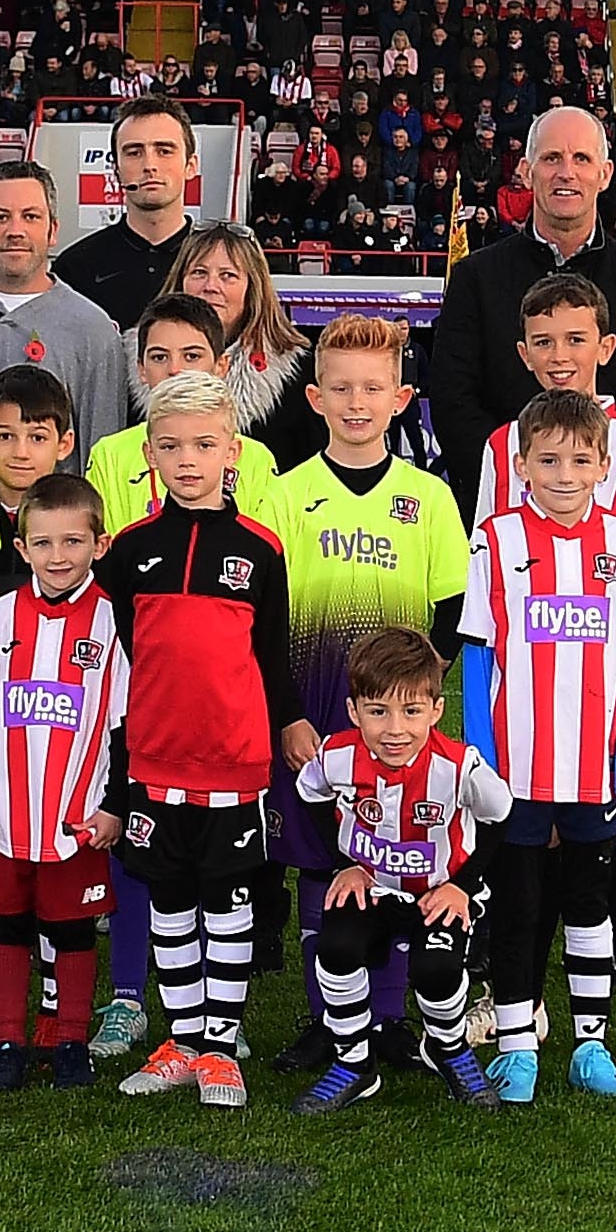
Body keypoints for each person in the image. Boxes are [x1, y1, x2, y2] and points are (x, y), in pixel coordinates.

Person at [473, 270, 616, 1067]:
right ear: (525, 353)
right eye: (545, 341)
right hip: (527, 683)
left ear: (606, 346)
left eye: (576, 338)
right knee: (519, 842)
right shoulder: (504, 447)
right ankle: (511, 997)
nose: (562, 356)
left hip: (607, 679)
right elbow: (492, 569)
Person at [265, 313, 469, 1066]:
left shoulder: (429, 497)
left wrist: (417, 702)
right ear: (315, 397)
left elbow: (452, 607)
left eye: (374, 388)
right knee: (322, 859)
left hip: (396, 727)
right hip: (317, 712)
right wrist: (287, 713)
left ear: (402, 397)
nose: (357, 401)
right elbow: (268, 619)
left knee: (399, 849)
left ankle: (386, 1018)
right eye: (342, 387)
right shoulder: (285, 497)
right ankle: (332, 1017)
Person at [96, 375, 300, 1110]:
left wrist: (289, 723)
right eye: (172, 445)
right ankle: (183, 1040)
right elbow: (117, 659)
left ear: (232, 450)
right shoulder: (129, 549)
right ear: (150, 452)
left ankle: (222, 1047)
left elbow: (274, 656)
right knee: (170, 902)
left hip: (234, 763)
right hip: (154, 759)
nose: (188, 459)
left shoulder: (260, 550)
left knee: (228, 901)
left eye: (204, 444)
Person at [464, 388, 616, 1102]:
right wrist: (481, 763)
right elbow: (480, 655)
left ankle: (590, 1044)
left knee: (590, 902)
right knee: (517, 904)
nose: (565, 473)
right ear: (522, 464)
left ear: (604, 465)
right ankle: (517, 1046)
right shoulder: (497, 539)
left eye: (581, 459)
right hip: (518, 768)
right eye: (548, 459)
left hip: (594, 767)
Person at [288, 625, 515, 1110]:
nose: (395, 729)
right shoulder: (336, 755)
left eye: (412, 711)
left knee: (435, 971)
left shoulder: (460, 767)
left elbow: (500, 815)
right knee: (337, 947)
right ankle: (355, 1062)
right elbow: (310, 794)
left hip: (438, 891)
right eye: (378, 712)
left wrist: (462, 885)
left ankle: (447, 1048)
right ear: (354, 712)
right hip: (374, 885)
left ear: (436, 709)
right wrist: (344, 864)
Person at [0, 471, 126, 1091]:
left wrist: (113, 805)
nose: (59, 557)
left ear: (99, 546)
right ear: (21, 549)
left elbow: (126, 725)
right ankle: (9, 1039)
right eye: (44, 543)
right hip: (5, 811)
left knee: (72, 929)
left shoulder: (112, 621)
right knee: (6, 925)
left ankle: (71, 1037)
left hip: (76, 817)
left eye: (74, 542)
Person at [425, 105, 616, 504]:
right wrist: (518, 485)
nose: (566, 172)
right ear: (528, 172)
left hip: (615, 520)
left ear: (605, 175)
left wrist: (594, 490)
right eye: (552, 158)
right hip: (505, 516)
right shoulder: (475, 277)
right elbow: (452, 399)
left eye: (581, 158)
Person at [0, 157, 135, 450]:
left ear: (53, 230)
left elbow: (102, 455)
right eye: (0, 217)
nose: (15, 230)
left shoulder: (93, 332)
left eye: (30, 216)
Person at [85, 294, 290, 530]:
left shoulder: (256, 459)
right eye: (159, 357)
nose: (175, 370)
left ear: (220, 366)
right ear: (141, 369)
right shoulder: (109, 455)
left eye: (192, 356)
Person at [168, 222, 323, 471]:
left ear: (253, 286)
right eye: (199, 272)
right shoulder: (136, 365)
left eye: (228, 275)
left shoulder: (299, 372)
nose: (211, 286)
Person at [52, 98, 203, 329]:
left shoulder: (220, 266)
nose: (150, 165)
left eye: (164, 151)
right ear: (115, 170)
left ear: (190, 166)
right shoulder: (74, 268)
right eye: (134, 152)